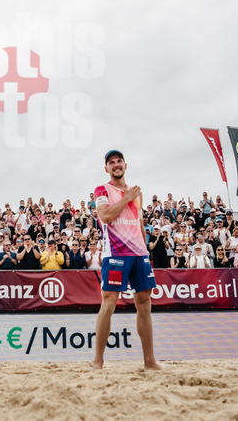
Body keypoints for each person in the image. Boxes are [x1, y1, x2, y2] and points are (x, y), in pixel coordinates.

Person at [92, 149, 160, 370]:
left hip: (139, 253)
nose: (116, 164)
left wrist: (146, 249)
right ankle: (98, 362)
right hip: (116, 253)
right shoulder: (103, 189)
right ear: (107, 168)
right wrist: (127, 198)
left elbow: (139, 222)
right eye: (111, 162)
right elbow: (106, 216)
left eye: (119, 161)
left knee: (144, 303)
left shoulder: (136, 192)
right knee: (109, 302)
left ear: (125, 165)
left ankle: (150, 362)